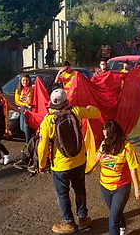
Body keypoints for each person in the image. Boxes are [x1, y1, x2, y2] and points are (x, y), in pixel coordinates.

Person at [37, 89, 101, 234]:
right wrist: (90, 108)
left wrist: (42, 165)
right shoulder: (77, 111)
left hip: (60, 165)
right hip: (79, 160)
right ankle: (83, 218)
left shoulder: (48, 120)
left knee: (62, 194)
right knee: (79, 188)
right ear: (66, 101)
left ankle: (68, 223)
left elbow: (42, 146)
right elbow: (97, 113)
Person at [95, 120, 140, 235]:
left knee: (112, 219)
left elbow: (133, 169)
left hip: (121, 187)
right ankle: (122, 225)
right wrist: (102, 148)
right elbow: (96, 160)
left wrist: (137, 189)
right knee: (114, 211)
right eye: (103, 134)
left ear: (113, 134)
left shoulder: (127, 148)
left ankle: (118, 228)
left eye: (106, 134)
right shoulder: (104, 144)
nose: (105, 136)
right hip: (104, 185)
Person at [15, 74, 33, 145]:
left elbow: (29, 99)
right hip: (22, 108)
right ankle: (30, 138)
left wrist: (26, 103)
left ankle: (27, 143)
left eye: (26, 80)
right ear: (21, 81)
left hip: (29, 109)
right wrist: (24, 104)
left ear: (29, 81)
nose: (25, 82)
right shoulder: (18, 90)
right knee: (21, 127)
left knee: (26, 126)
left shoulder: (31, 89)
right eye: (23, 80)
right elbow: (16, 101)